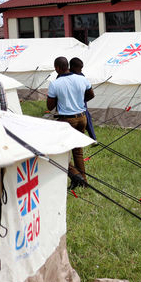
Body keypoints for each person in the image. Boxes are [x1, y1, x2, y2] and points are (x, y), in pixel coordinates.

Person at [47, 56, 95, 188]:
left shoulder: (55, 84)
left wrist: (60, 99)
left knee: (60, 151)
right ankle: (83, 182)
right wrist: (78, 101)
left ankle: (75, 175)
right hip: (82, 118)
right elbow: (91, 94)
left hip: (67, 120)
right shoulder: (81, 78)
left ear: (57, 68)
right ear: (67, 66)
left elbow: (49, 106)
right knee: (78, 151)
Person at [69, 57, 97, 141]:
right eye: (80, 68)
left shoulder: (81, 76)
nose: (81, 70)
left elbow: (90, 94)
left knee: (87, 118)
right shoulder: (65, 76)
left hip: (81, 103)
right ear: (73, 67)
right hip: (70, 105)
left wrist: (83, 100)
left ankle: (93, 138)